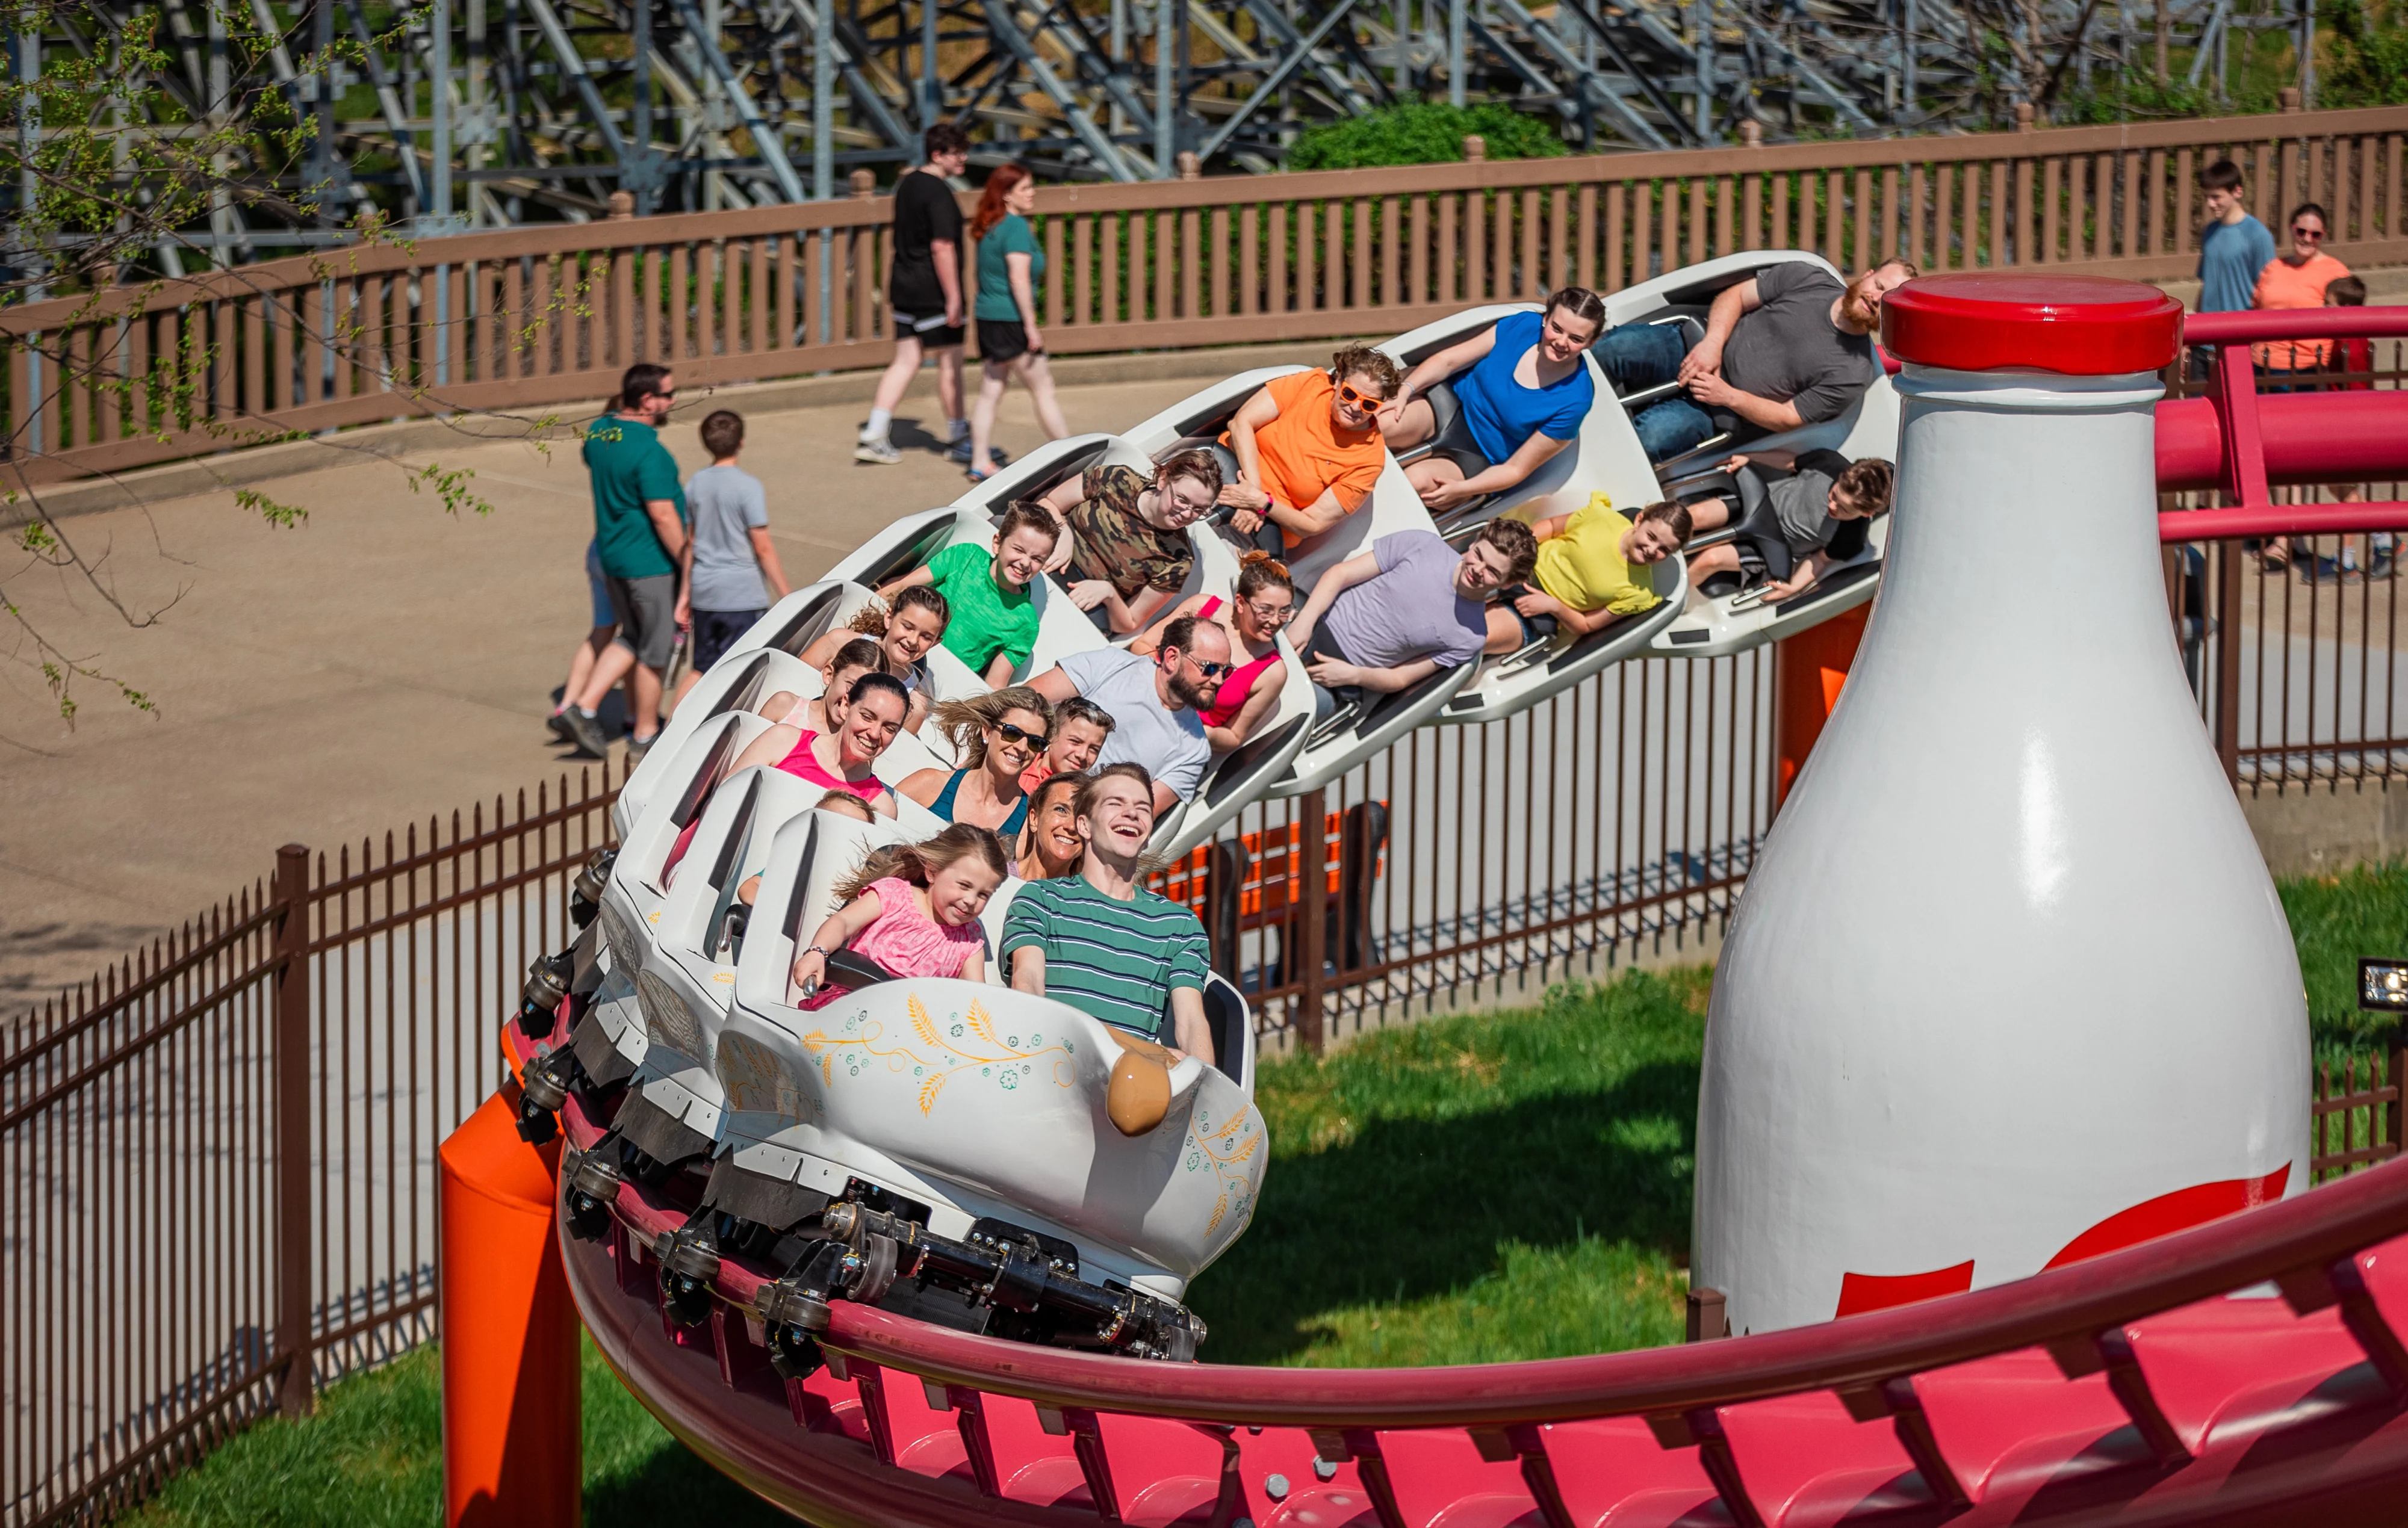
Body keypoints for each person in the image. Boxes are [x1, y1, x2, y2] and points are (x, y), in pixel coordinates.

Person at [1593, 260, 1916, 462]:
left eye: (1887, 301)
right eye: (1879, 286)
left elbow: (1787, 418)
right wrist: (1713, 346)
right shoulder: (1809, 278)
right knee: (1619, 348)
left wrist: (1727, 396)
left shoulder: (1853, 372)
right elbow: (1735, 297)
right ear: (1868, 275)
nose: (1876, 298)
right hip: (1694, 348)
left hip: (1717, 408)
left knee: (1651, 438)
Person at [1003, 763, 1216, 1063]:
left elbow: (1192, 1021)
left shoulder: (1179, 926)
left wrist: (1199, 1080)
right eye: (1115, 803)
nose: (1132, 813)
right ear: (1084, 825)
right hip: (1054, 1065)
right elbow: (1028, 984)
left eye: (1143, 808)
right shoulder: (1041, 899)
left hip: (1129, 1087)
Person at [561, 363, 689, 762]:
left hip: (612, 556)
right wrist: (689, 560)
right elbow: (663, 515)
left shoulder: (600, 432)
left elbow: (593, 459)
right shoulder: (652, 452)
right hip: (649, 563)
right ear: (648, 400)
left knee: (631, 636)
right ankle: (645, 733)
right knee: (655, 649)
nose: (673, 401)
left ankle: (581, 707)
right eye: (667, 394)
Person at [1383, 289, 1606, 515]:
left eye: (1576, 339)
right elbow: (1448, 361)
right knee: (1385, 423)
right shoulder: (1524, 326)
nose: (1561, 342)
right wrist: (1406, 390)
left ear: (1591, 342)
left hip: (1481, 455)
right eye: (1556, 329)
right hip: (1450, 406)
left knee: (1415, 482)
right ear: (1546, 318)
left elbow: (1516, 469)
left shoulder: (1576, 398)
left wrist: (1462, 489)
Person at [1287, 519, 1534, 702]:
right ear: (1475, 543)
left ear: (1507, 584)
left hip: (1346, 673)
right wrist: (1306, 621)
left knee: (1299, 704)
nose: (1478, 569)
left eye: (1493, 572)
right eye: (1479, 555)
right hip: (1318, 622)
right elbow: (1340, 574)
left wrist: (1353, 676)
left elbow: (1400, 679)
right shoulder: (1423, 544)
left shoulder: (1471, 636)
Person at [1027, 615, 1229, 817]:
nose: (1219, 681)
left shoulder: (1195, 749)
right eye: (1210, 668)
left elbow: (1138, 816)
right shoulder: (1114, 664)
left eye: (1226, 671)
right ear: (1172, 658)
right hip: (1027, 774)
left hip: (1073, 819)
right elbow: (1025, 702)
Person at [791, 823, 1008, 1006]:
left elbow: (975, 999)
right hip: (847, 1003)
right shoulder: (895, 895)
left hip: (904, 1031)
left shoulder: (969, 943)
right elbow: (843, 922)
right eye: (964, 885)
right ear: (933, 872)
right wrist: (818, 952)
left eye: (983, 895)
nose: (971, 900)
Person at [858, 122, 972, 467]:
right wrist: (954, 296)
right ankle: (959, 437)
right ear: (938, 155)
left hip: (904, 284)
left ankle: (874, 432)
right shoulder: (938, 192)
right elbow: (942, 246)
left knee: (906, 360)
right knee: (950, 362)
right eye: (957, 153)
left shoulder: (907, 184)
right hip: (931, 290)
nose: (963, 159)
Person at [1218, 347, 1401, 559]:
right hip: (1223, 473)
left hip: (1262, 528)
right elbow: (1241, 422)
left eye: (1369, 404)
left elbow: (1312, 524)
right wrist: (1253, 490)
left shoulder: (1368, 460)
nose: (1355, 407)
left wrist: (1261, 504)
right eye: (1349, 394)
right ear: (1338, 380)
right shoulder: (1312, 384)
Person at [1033, 450, 1223, 634]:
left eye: (1199, 510)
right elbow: (1048, 502)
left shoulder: (1178, 562)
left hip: (1087, 603)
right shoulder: (1118, 480)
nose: (1187, 514)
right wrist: (1062, 529)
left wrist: (1109, 594)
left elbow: (1129, 622)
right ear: (1163, 480)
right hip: (1047, 559)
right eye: (1182, 499)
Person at [677, 409, 790, 701]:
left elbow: (690, 543)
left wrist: (684, 596)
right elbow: (762, 547)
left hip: (705, 592)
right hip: (741, 595)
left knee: (700, 669)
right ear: (741, 441)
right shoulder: (748, 487)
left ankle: (666, 735)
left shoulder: (695, 484)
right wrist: (787, 595)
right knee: (746, 672)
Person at [880, 503, 1060, 687]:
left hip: (934, 684)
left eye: (1037, 559)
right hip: (899, 647)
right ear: (997, 543)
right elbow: (899, 586)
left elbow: (994, 685)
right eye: (1019, 550)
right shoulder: (967, 556)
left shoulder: (1026, 622)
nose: (1025, 563)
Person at [967, 164, 1070, 483]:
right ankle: (1073, 455)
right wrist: (1030, 326)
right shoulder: (1015, 228)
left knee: (991, 390)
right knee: (1043, 389)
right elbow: (1019, 279)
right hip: (1010, 319)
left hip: (987, 317)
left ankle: (979, 461)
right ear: (1008, 195)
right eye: (1025, 188)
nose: (1032, 193)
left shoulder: (991, 226)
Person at [1132, 551, 1294, 750]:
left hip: (1179, 739)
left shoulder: (1273, 671)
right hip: (1143, 699)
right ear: (1241, 603)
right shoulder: (1203, 607)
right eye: (1266, 610)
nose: (1276, 621)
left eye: (1285, 611)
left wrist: (1201, 731)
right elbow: (1143, 646)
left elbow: (1234, 736)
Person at [1484, 496, 1689, 655]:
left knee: (1476, 637)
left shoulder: (1639, 594)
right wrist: (1518, 555)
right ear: (1640, 520)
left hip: (1538, 611)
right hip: (1517, 567)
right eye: (1651, 537)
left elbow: (1587, 625)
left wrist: (1553, 606)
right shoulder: (1601, 517)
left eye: (1664, 550)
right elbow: (1553, 526)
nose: (1652, 550)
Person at [1682, 451, 1894, 600]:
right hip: (1757, 504)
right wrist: (1751, 457)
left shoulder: (1851, 535)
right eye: (1834, 495)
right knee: (1696, 515)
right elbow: (1790, 461)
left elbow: (1820, 560)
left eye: (1844, 510)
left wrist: (1793, 587)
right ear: (1842, 475)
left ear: (1866, 513)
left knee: (1711, 559)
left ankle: (1669, 598)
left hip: (1771, 546)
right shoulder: (1828, 462)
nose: (1832, 506)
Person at [729, 671, 910, 815]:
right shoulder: (783, 741)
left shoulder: (880, 807)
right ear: (846, 707)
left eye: (889, 728)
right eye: (867, 717)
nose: (874, 733)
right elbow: (725, 797)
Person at [899, 688, 1052, 837]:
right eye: (1012, 733)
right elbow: (877, 821)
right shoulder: (931, 784)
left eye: (1035, 742)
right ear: (987, 732)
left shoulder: (1029, 824)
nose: (1022, 747)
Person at [800, 585, 951, 733]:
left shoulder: (915, 705)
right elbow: (794, 680)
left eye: (926, 637)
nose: (913, 640)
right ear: (889, 618)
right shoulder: (837, 642)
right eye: (907, 627)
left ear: (935, 643)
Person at [2253, 202, 2351, 382]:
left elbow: (2349, 321)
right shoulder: (2273, 268)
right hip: (2261, 365)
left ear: (2323, 236)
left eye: (2315, 235)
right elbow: (2254, 310)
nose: (2307, 239)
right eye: (2301, 231)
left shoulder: (2336, 272)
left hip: (2309, 368)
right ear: (2292, 229)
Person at [735, 789, 878, 906]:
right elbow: (749, 886)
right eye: (834, 822)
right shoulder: (797, 860)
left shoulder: (862, 875)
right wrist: (769, 909)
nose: (842, 832)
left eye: (855, 830)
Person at [547, 540, 618, 743]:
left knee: (602, 629)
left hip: (600, 549)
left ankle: (567, 707)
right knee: (634, 639)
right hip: (629, 558)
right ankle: (635, 719)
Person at [2197, 159, 2277, 323]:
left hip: (2240, 333)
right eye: (2207, 197)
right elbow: (2205, 285)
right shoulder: (2209, 232)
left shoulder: (2258, 234)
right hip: (2205, 336)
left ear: (2237, 192)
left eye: (2216, 197)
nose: (2210, 204)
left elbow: (2268, 292)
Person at [760, 637, 883, 735]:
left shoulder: (853, 742)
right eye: (851, 685)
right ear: (829, 675)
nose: (854, 697)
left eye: (866, 693)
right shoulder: (785, 706)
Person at [1019, 696, 1115, 792]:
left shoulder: (1085, 801)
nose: (1082, 755)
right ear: (1051, 735)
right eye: (1075, 742)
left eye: (1094, 749)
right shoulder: (1016, 768)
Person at [1014, 772, 1088, 881]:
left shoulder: (1084, 898)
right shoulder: (994, 880)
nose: (1072, 827)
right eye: (1061, 810)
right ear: (1034, 819)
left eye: (1083, 817)